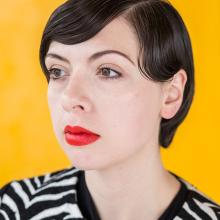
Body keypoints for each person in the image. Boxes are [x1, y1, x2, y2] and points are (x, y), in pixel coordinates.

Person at [0, 0, 220, 219]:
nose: (70, 98)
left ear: (171, 94)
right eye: (57, 71)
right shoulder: (13, 208)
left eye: (107, 71)